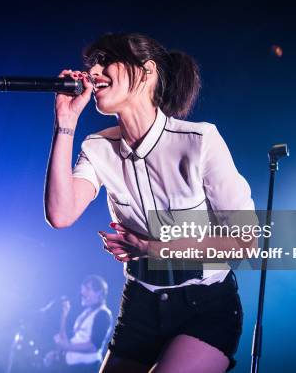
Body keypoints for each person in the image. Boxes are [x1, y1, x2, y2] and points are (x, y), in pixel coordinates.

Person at [44, 33, 256, 372]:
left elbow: (245, 242)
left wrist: (153, 247)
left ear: (147, 71)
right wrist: (65, 123)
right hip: (141, 304)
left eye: (104, 59)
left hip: (204, 305)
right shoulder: (97, 148)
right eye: (91, 64)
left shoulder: (199, 141)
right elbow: (61, 214)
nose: (94, 70)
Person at [46, 275, 113, 373]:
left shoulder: (103, 314)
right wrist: (64, 316)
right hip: (73, 367)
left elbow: (94, 346)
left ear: (99, 293)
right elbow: (69, 341)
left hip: (88, 368)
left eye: (88, 289)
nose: (82, 292)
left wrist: (66, 347)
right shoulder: (84, 314)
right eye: (83, 289)